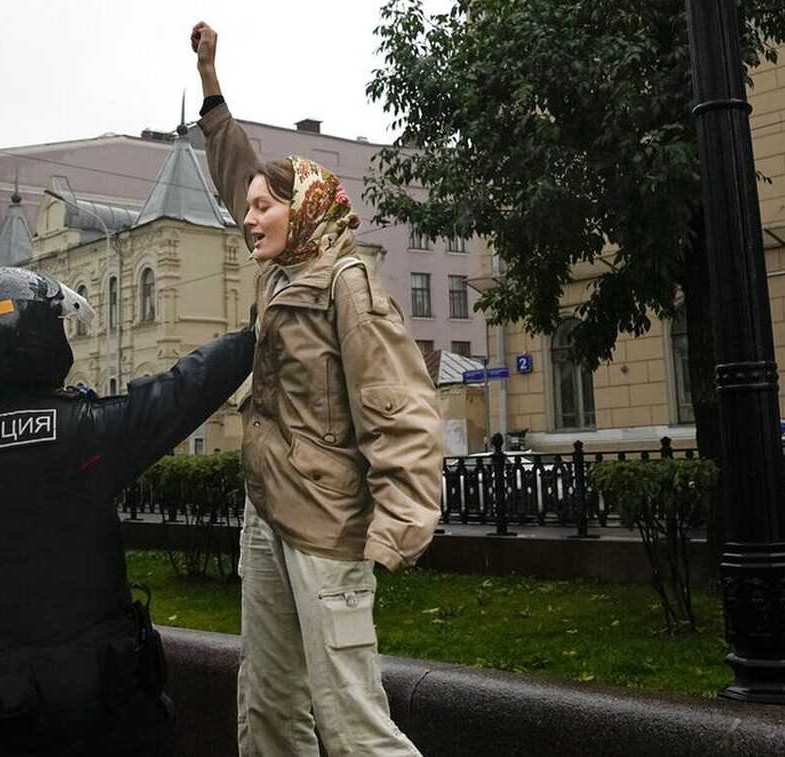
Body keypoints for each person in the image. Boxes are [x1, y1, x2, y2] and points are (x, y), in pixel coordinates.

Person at [192, 22, 443, 757]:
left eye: (264, 207)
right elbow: (238, 170)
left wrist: (399, 526)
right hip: (266, 516)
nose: (249, 217)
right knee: (268, 711)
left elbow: (400, 405)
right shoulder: (278, 270)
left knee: (352, 724)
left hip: (329, 529)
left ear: (303, 208)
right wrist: (211, 83)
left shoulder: (345, 282)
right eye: (249, 208)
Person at [0, 266, 254, 756]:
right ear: (35, 338)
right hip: (94, 713)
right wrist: (251, 337)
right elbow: (181, 392)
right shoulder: (78, 433)